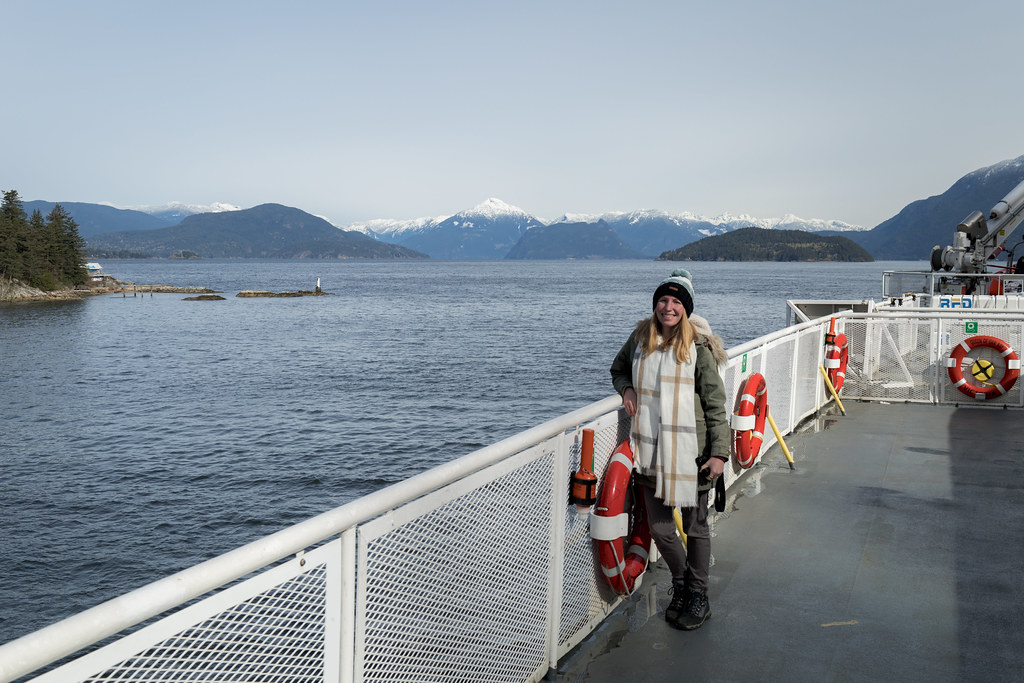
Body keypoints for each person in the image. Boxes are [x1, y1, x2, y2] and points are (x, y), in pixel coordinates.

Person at [609, 268, 729, 630]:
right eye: (663, 299)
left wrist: (719, 455)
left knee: (695, 528)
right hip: (650, 450)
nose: (668, 307)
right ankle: (681, 582)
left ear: (686, 309)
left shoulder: (699, 347)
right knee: (661, 530)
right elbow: (617, 369)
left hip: (692, 454)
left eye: (677, 302)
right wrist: (627, 389)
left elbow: (715, 403)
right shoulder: (641, 338)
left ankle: (697, 594)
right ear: (655, 304)